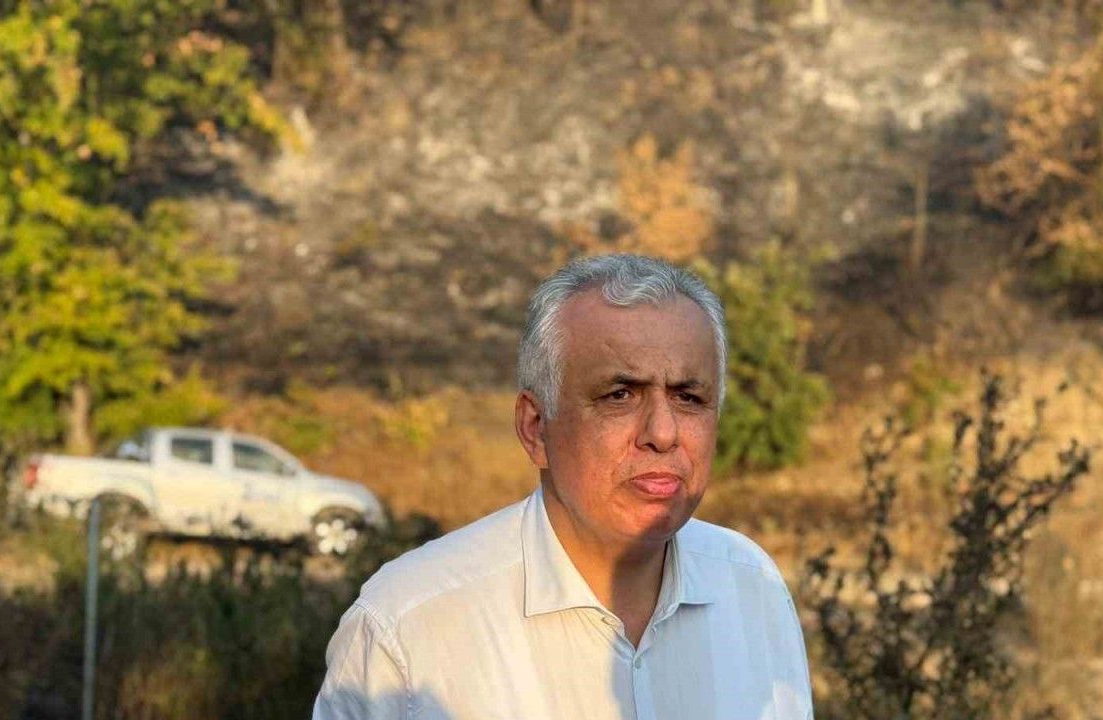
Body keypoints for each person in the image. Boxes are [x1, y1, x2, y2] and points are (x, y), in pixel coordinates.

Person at [313, 254, 813, 719]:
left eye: (688, 397)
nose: (663, 433)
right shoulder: (408, 629)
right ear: (535, 428)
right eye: (620, 395)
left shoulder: (751, 588)